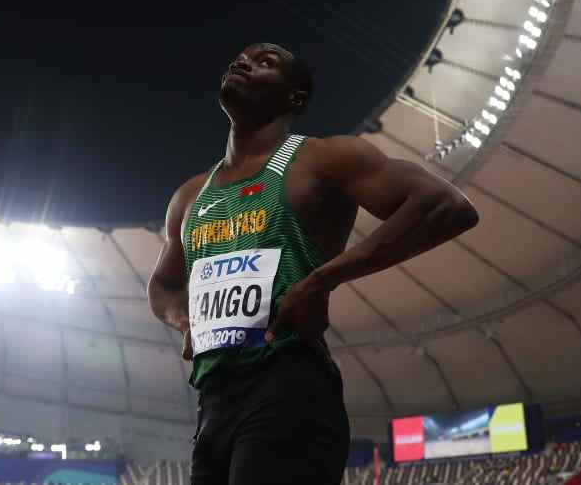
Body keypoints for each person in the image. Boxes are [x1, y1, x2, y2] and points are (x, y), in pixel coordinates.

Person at [147, 42, 479, 485]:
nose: (243, 62)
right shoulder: (190, 195)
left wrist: (320, 280)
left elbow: (446, 206)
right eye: (241, 57)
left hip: (287, 386)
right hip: (213, 402)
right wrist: (186, 319)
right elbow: (164, 286)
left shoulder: (323, 159)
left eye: (265, 62)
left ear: (294, 99)